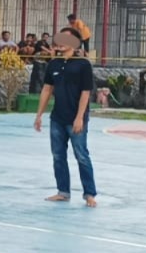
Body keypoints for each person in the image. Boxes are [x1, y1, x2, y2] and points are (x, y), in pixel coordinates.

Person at [34, 28, 98, 207]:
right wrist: (39, 115)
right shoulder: (53, 64)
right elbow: (47, 89)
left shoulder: (83, 64)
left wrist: (79, 118)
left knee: (82, 155)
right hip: (57, 118)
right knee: (58, 156)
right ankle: (63, 191)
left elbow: (86, 93)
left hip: (76, 118)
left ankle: (89, 194)